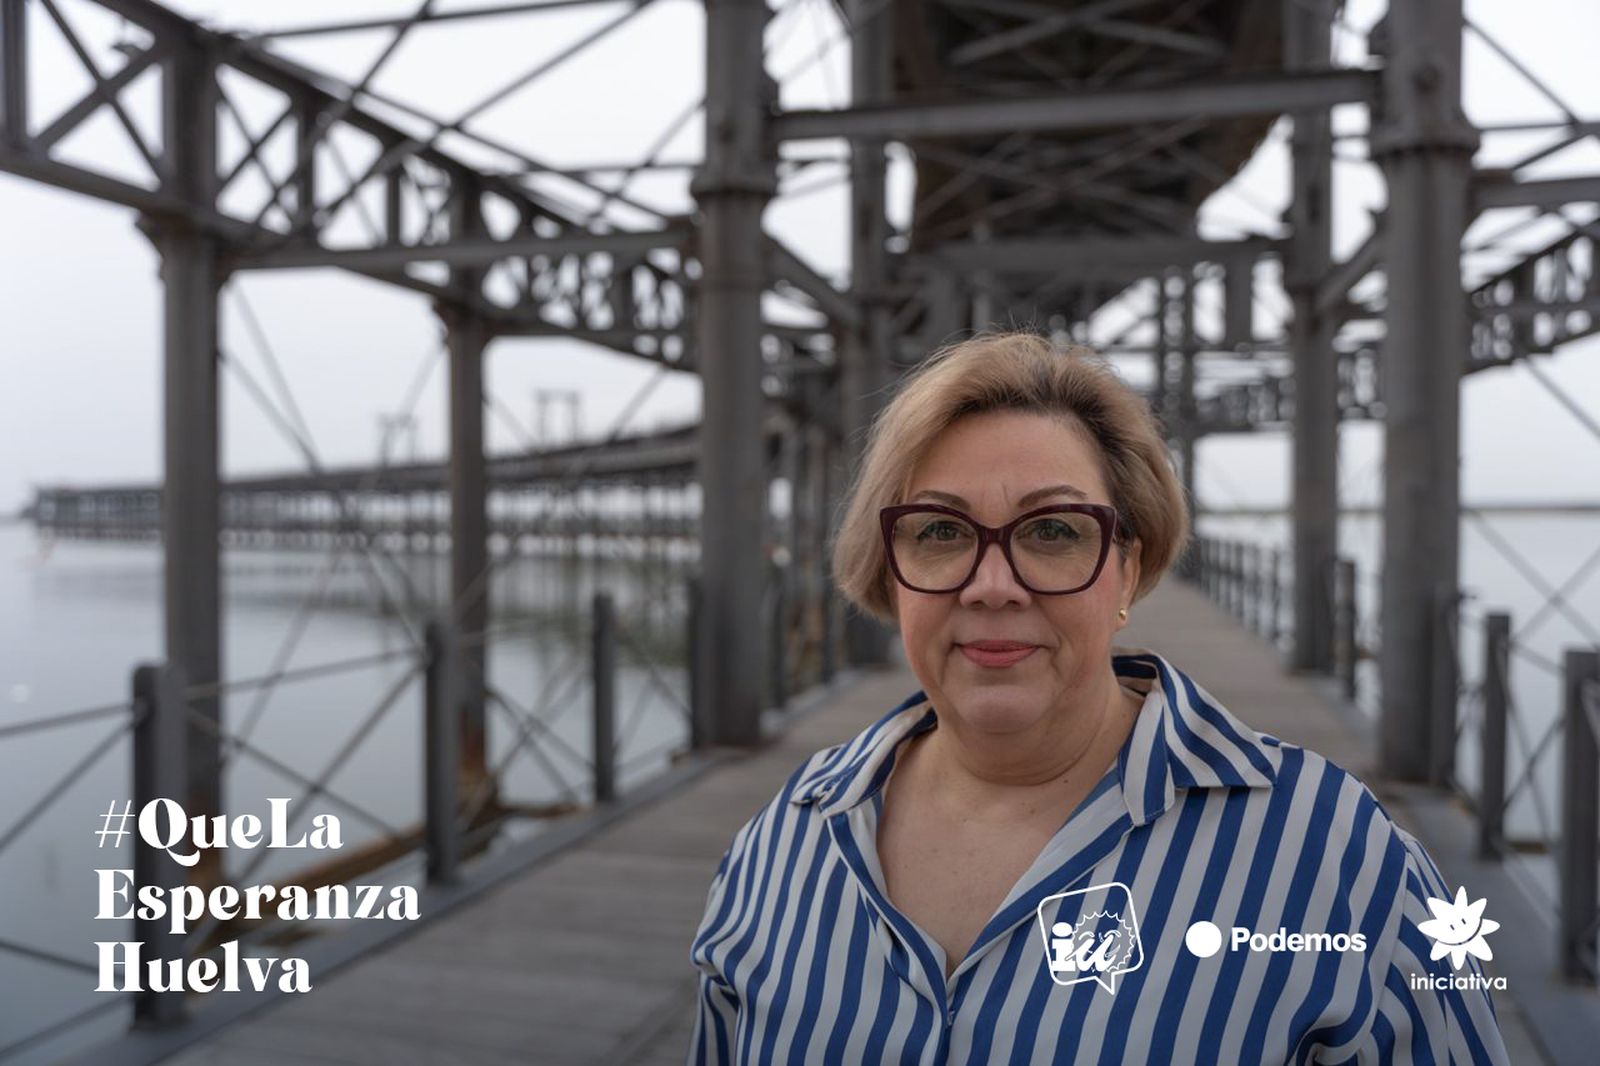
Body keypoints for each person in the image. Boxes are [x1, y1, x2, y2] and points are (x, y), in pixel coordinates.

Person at [687, 331, 1511, 1064]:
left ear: (1126, 569)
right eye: (939, 532)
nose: (992, 585)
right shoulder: (783, 846)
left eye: (1054, 531)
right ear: (887, 572)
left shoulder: (1340, 860)